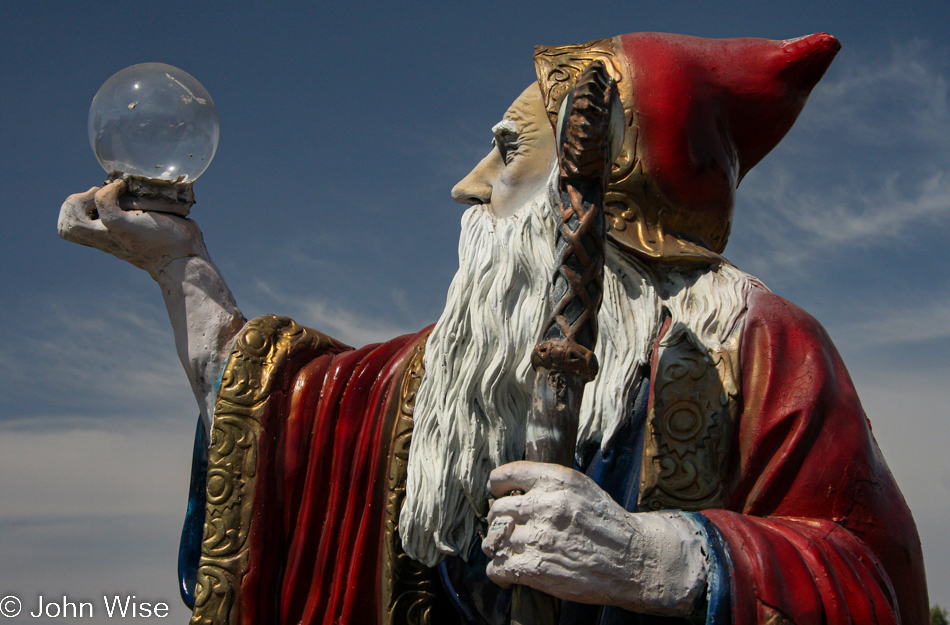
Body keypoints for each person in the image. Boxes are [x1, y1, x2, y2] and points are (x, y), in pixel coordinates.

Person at [58, 31, 928, 625]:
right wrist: (182, 270)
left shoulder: (759, 342)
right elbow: (289, 418)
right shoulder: (446, 378)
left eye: (509, 150)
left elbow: (869, 580)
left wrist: (658, 556)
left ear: (604, 173)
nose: (468, 186)